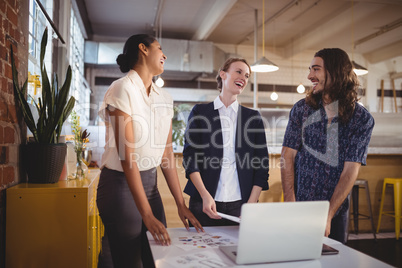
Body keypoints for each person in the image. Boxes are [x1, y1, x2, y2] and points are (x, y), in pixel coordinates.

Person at [96, 34, 203, 268]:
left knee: (156, 258)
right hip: (119, 186)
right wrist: (146, 214)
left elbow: (166, 154)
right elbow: (127, 157)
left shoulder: (164, 98)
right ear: (143, 49)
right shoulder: (122, 88)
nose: (164, 55)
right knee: (130, 262)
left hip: (150, 185)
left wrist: (180, 203)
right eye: (159, 48)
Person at [281, 48, 374, 244]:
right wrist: (290, 201)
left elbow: (351, 169)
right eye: (310, 69)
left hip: (336, 212)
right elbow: (287, 155)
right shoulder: (301, 109)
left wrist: (328, 214)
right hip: (299, 206)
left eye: (316, 69)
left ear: (335, 72)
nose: (309, 75)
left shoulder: (361, 119)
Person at [182, 58, 269, 226]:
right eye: (238, 72)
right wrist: (204, 195)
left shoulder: (253, 118)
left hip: (241, 205)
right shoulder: (200, 112)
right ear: (223, 74)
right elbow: (190, 158)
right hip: (204, 202)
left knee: (239, 252)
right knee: (202, 252)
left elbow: (262, 166)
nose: (243, 78)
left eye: (247, 75)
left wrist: (251, 204)